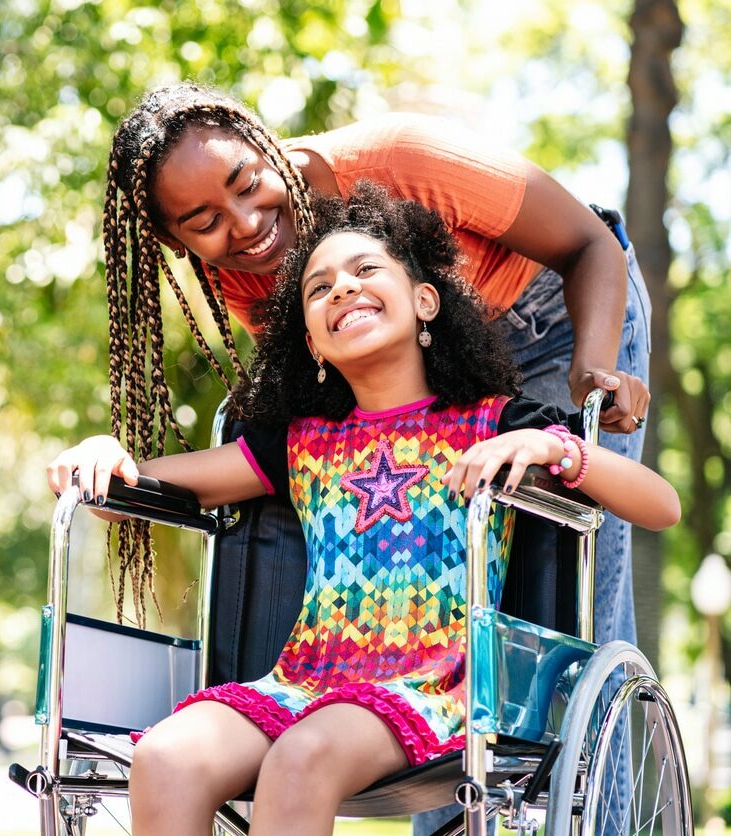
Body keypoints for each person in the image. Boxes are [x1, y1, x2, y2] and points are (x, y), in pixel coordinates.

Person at [50, 185, 678, 836]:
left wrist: (554, 446)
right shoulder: (299, 444)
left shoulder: (497, 423)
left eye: (365, 270)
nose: (342, 289)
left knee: (302, 755)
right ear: (313, 344)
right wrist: (103, 454)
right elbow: (135, 490)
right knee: (166, 754)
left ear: (424, 300)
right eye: (318, 289)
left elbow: (661, 505)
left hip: (440, 685)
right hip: (304, 680)